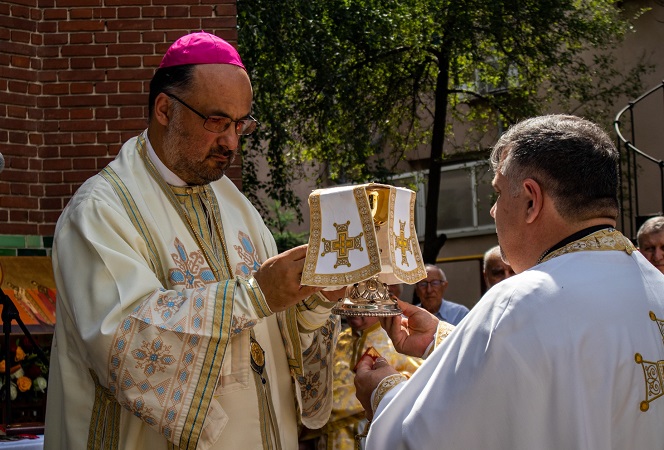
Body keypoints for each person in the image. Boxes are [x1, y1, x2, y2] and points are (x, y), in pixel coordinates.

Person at [44, 32, 341, 450]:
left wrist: (312, 298)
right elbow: (128, 349)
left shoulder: (237, 206)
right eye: (217, 122)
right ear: (165, 109)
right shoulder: (100, 211)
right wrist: (255, 296)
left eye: (241, 125)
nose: (232, 143)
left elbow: (274, 336)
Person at [354, 114, 664, 449]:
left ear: (531, 200)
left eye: (499, 193)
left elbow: (425, 439)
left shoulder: (518, 301)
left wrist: (383, 395)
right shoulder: (655, 285)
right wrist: (445, 342)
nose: (493, 211)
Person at [301, 314, 423, 450]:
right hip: (327, 439)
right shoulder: (337, 339)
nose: (354, 312)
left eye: (362, 304)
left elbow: (419, 384)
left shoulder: (399, 340)